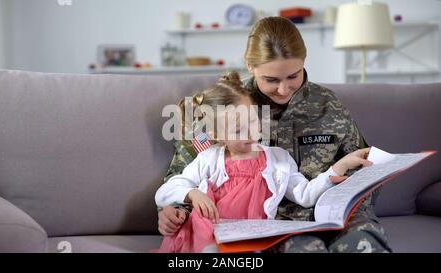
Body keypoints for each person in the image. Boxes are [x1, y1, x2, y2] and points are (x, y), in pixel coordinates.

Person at [158, 16, 391, 253]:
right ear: (251, 66)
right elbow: (188, 176)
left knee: (365, 243)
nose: (283, 89)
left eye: (293, 76)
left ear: (303, 62)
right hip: (273, 224)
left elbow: (362, 167)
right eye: (271, 80)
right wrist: (175, 211)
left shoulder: (329, 104)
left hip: (335, 214)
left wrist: (354, 181)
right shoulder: (230, 105)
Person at [155, 72, 372, 253]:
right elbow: (165, 191)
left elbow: (304, 195)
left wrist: (338, 167)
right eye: (237, 129)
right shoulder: (209, 159)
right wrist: (193, 194)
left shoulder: (277, 159)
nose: (250, 133)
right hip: (209, 236)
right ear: (217, 134)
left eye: (252, 120)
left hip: (252, 241)